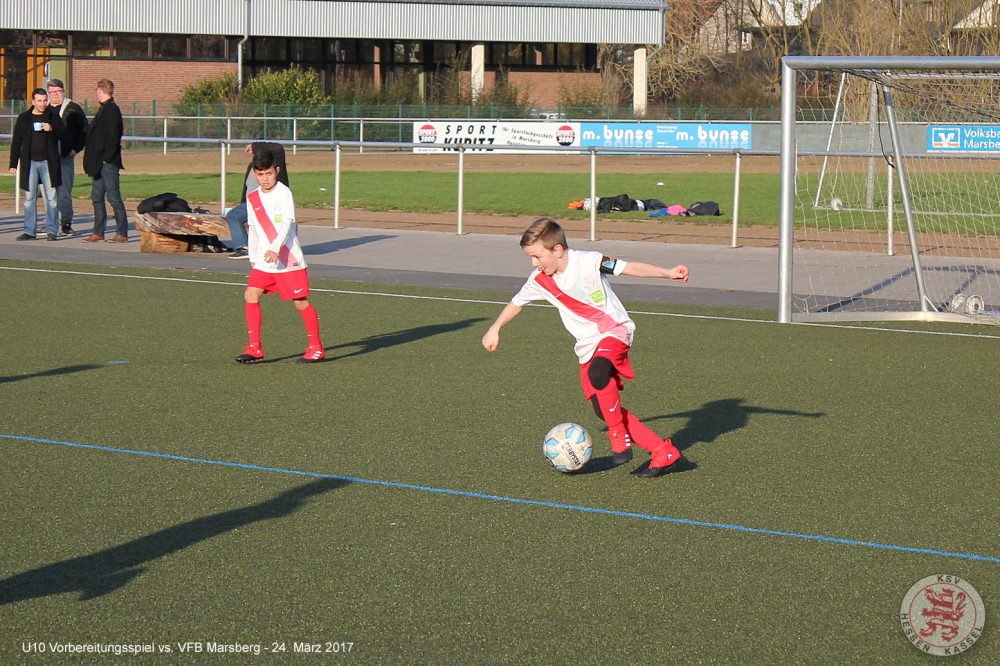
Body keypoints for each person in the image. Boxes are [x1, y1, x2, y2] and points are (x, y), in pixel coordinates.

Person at [482, 218, 691, 477]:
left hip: (615, 331)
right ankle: (662, 451)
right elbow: (517, 302)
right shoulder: (540, 280)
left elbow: (628, 267)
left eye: (537, 256)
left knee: (599, 373)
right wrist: (495, 327)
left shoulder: (589, 261)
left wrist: (666, 272)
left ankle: (618, 438)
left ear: (557, 250)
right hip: (587, 345)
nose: (534, 264)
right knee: (604, 410)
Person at [235, 148, 324, 364]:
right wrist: (253, 257)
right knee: (250, 295)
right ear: (254, 174)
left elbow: (286, 223)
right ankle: (255, 348)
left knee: (300, 302)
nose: (265, 179)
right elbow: (254, 228)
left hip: (287, 260)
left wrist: (275, 248)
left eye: (269, 173)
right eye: (260, 174)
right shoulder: (253, 197)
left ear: (277, 170)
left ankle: (316, 347)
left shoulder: (284, 193)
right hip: (264, 263)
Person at [7, 88, 69, 241]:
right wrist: (13, 163)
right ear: (33, 101)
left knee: (52, 198)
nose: (42, 104)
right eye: (39, 101)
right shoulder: (24, 118)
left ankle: (52, 230)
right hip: (30, 163)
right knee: (29, 198)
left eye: (44, 100)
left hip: (49, 163)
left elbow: (64, 135)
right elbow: (17, 141)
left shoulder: (52, 116)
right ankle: (29, 231)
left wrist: (52, 129)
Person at [82, 78, 129, 243]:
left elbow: (114, 138)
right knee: (96, 196)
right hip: (98, 163)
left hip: (107, 163)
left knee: (114, 197)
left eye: (97, 90)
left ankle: (122, 232)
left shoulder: (112, 111)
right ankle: (98, 231)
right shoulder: (104, 110)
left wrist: (106, 158)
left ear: (100, 90)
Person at [227, 142, 289, 259]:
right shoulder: (252, 168)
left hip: (267, 202)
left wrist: (255, 146)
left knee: (234, 217)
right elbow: (247, 190)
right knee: (236, 216)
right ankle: (247, 247)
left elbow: (278, 148)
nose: (264, 176)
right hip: (251, 203)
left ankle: (245, 246)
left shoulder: (273, 167)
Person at [47, 79, 88, 237]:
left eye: (58, 92)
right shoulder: (45, 109)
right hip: (48, 157)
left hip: (65, 156)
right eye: (52, 92)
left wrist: (75, 149)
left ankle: (66, 223)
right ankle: (51, 222)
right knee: (48, 191)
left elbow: (84, 130)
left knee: (64, 191)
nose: (55, 95)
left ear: (63, 92)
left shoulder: (73, 109)